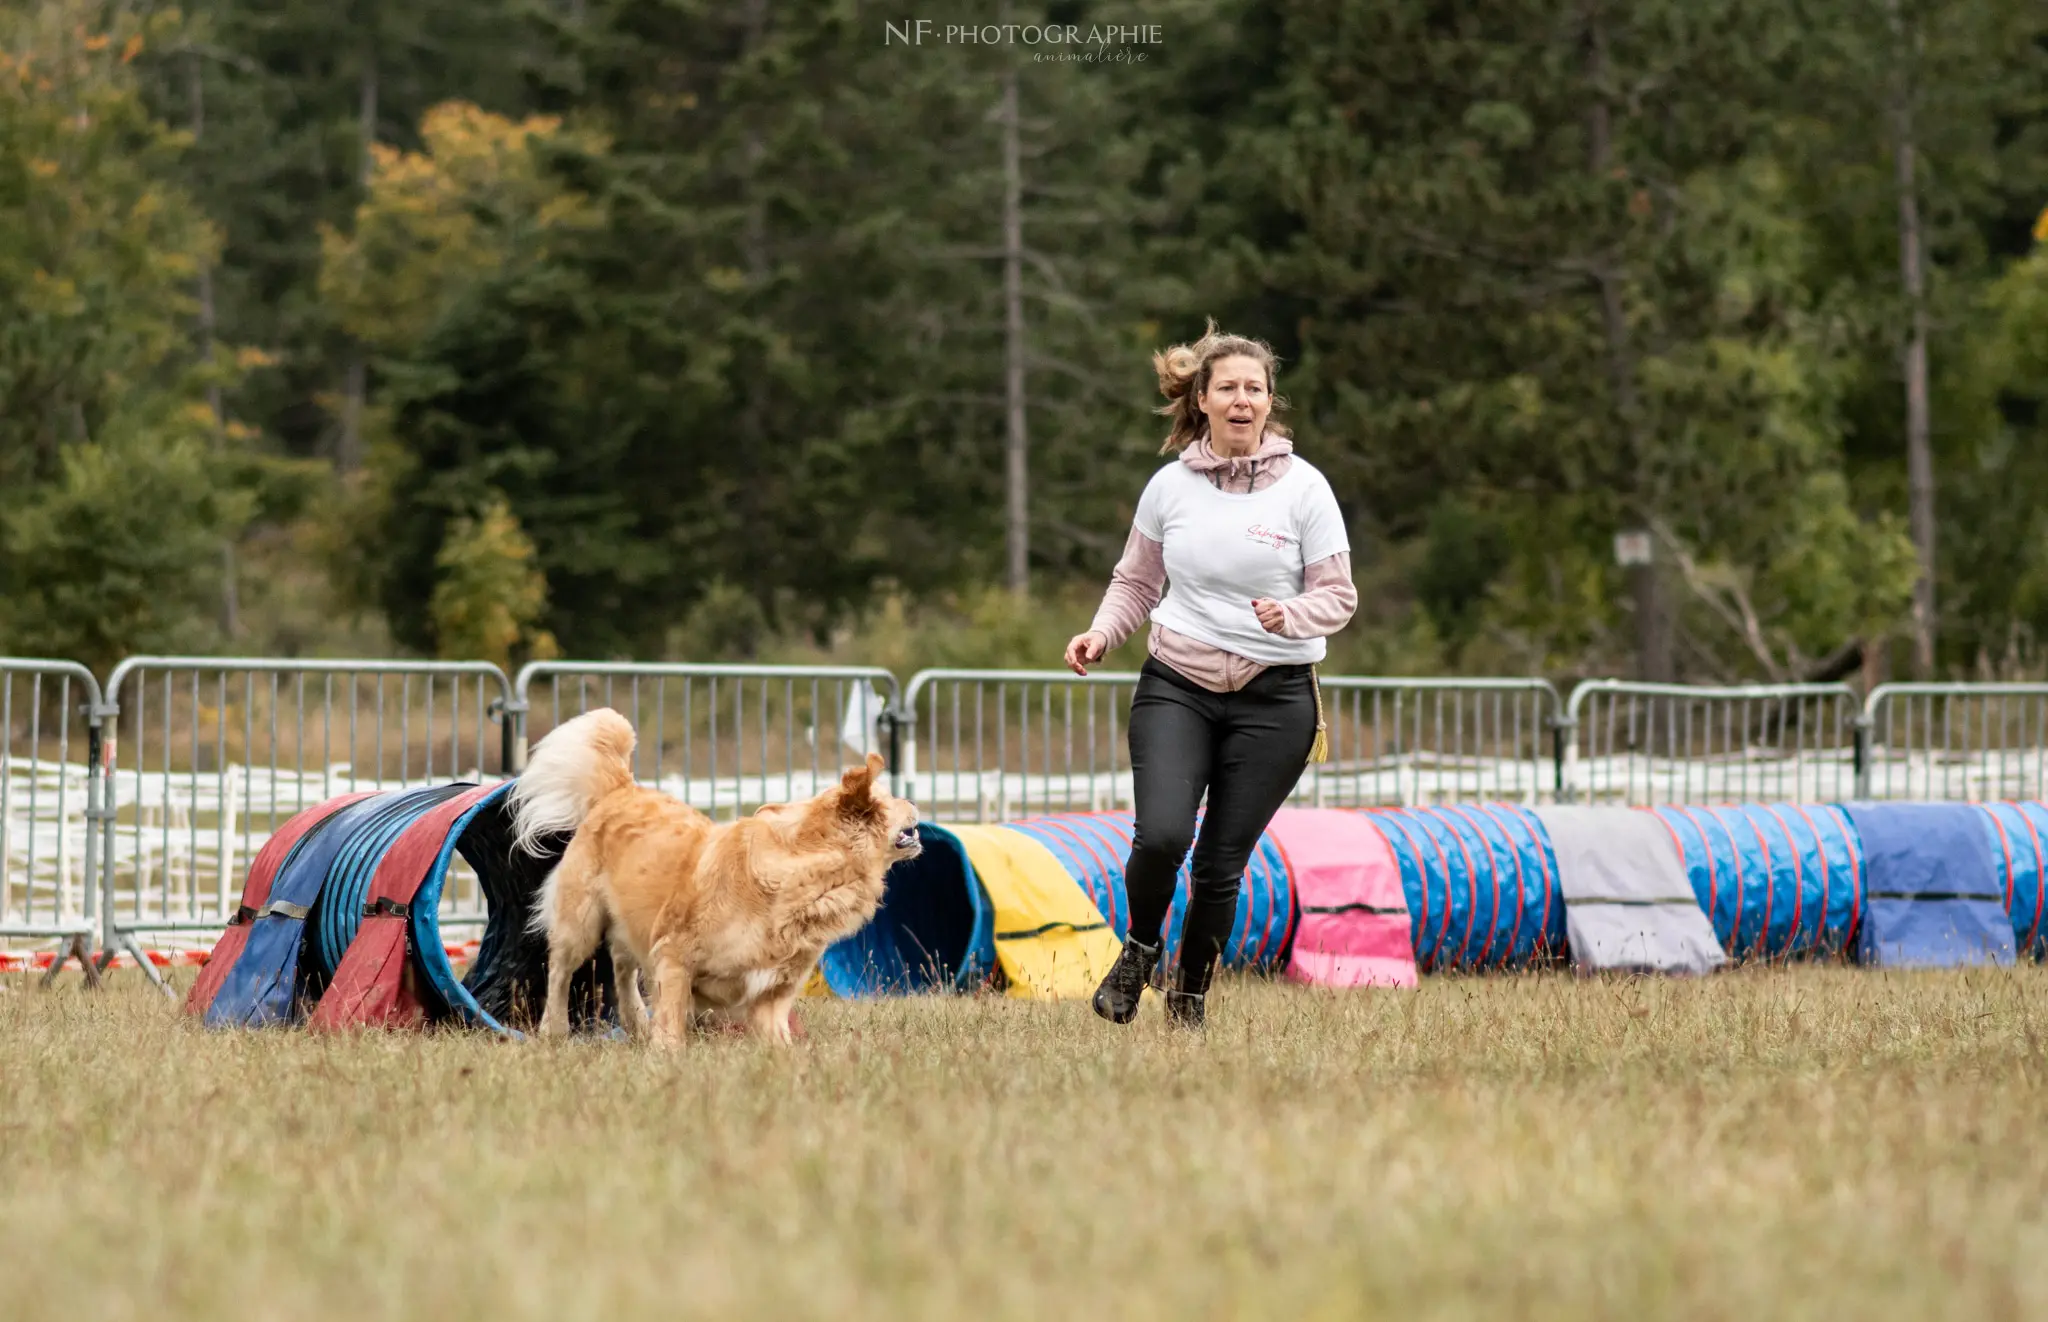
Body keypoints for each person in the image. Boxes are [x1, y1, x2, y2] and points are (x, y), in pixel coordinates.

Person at [1064, 321, 1356, 1029]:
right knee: (1162, 835)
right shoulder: (1170, 488)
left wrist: (1293, 614)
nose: (1241, 400)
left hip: (1276, 697)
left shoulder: (1306, 490)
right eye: (1227, 387)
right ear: (1201, 399)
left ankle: (1188, 997)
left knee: (1220, 861)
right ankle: (1138, 951)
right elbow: (1135, 580)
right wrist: (1103, 632)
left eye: (1254, 389)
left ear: (1268, 402)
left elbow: (1339, 596)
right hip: (1178, 683)